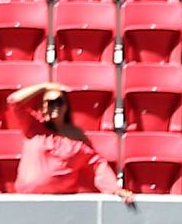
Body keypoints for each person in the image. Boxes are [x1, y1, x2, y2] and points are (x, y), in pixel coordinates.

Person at [7, 82, 135, 203]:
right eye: (50, 102)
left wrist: (115, 189)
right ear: (43, 106)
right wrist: (44, 86)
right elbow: (13, 101)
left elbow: (96, 163)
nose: (55, 106)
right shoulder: (32, 126)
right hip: (26, 200)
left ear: (66, 106)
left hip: (62, 204)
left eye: (59, 102)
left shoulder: (75, 137)